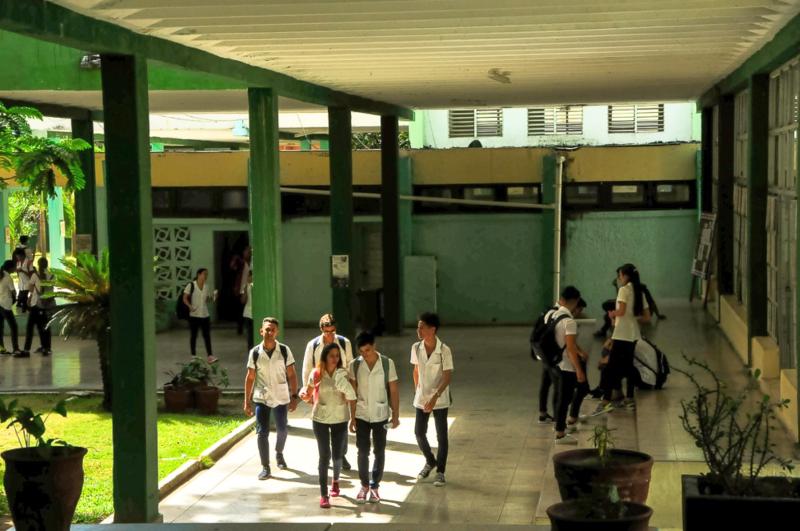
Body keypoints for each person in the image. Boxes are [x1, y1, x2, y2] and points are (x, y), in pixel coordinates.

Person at [300, 342, 356, 509]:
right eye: (331, 355)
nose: (335, 359)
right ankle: (324, 494)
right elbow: (308, 394)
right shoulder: (316, 374)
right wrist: (303, 395)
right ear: (324, 356)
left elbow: (352, 396)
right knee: (324, 456)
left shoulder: (343, 374)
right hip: (320, 419)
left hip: (340, 418)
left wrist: (353, 418)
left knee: (337, 455)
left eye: (337, 356)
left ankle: (336, 481)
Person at [243, 317, 298, 480]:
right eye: (267, 329)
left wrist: (294, 396)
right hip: (262, 397)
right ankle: (265, 466)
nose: (270, 332)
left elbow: (292, 375)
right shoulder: (255, 352)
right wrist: (247, 401)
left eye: (273, 329)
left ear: (277, 332)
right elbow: (250, 377)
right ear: (261, 331)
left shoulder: (284, 351)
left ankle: (279, 453)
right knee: (262, 433)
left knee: (282, 429)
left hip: (281, 396)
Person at [348, 331, 400, 504]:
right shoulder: (354, 365)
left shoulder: (386, 363)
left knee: (379, 450)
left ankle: (375, 486)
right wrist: (352, 417)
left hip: (381, 414)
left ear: (374, 346)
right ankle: (364, 485)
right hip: (361, 414)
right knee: (362, 451)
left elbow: (393, 390)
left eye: (368, 350)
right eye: (361, 351)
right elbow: (352, 393)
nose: (365, 354)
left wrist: (396, 415)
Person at [595, 264, 651, 414]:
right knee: (628, 366)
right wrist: (632, 318)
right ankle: (629, 399)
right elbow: (647, 317)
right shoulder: (640, 292)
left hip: (621, 335)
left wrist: (613, 314)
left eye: (620, 275)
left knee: (610, 368)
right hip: (633, 335)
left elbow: (621, 310)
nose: (619, 279)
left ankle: (606, 401)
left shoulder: (623, 290)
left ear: (626, 276)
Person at [302, 313, 355, 470]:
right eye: (327, 332)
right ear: (321, 330)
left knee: (341, 424)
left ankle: (341, 454)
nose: (330, 335)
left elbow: (351, 366)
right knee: (323, 423)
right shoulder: (313, 345)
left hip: (341, 386)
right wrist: (308, 391)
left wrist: (351, 389)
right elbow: (307, 369)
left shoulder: (344, 343)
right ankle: (327, 456)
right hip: (321, 388)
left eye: (332, 331)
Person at [411, 312, 453, 487]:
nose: (418, 330)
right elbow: (415, 370)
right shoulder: (416, 347)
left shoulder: (444, 350)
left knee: (441, 435)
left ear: (432, 329)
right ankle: (430, 460)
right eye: (418, 326)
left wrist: (435, 397)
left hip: (440, 398)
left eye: (422, 327)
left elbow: (447, 375)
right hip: (422, 397)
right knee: (419, 432)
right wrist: (418, 390)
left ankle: (440, 471)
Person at [20, 257, 53, 358]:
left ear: (38, 265)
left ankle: (26, 350)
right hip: (47, 304)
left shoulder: (35, 275)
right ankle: (46, 347)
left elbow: (30, 288)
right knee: (45, 326)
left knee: (30, 327)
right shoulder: (52, 276)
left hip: (36, 304)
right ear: (47, 264)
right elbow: (52, 289)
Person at [183, 268, 217, 363]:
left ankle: (210, 356)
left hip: (205, 315)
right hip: (194, 315)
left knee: (207, 336)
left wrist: (213, 297)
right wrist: (190, 306)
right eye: (204, 274)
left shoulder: (206, 287)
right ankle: (193, 356)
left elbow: (207, 300)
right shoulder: (191, 285)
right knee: (194, 335)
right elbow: (184, 298)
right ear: (199, 274)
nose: (206, 276)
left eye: (207, 274)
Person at [0, 260, 21, 356]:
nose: (16, 268)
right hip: (5, 305)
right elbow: (13, 291)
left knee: (0, 327)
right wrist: (15, 298)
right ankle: (16, 349)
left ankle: (1, 348)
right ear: (11, 268)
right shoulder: (8, 277)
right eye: (15, 267)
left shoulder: (1, 275)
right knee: (14, 327)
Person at [13, 248, 32, 314]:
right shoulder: (18, 263)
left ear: (22, 255)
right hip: (21, 283)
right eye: (16, 257)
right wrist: (17, 272)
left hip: (27, 283)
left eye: (18, 256)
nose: (17, 258)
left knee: (23, 297)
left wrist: (23, 271)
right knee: (21, 298)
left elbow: (31, 274)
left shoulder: (28, 262)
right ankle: (28, 309)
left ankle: (25, 309)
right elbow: (18, 273)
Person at [241, 269, 254, 349]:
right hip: (247, 313)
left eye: (250, 276)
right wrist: (245, 290)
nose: (248, 278)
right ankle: (250, 350)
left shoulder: (255, 286)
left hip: (256, 313)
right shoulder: (245, 286)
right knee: (249, 334)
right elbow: (243, 300)